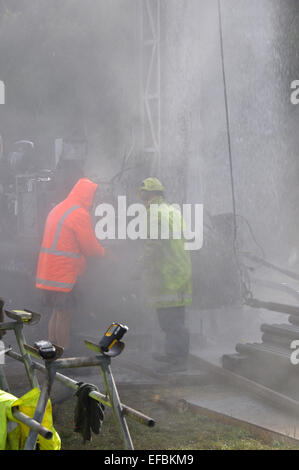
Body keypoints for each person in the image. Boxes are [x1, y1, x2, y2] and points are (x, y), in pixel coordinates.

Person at [36, 178, 105, 349]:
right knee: (64, 316)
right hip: (63, 275)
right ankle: (62, 354)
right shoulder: (78, 213)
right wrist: (107, 254)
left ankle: (51, 352)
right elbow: (91, 249)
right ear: (87, 195)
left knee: (56, 313)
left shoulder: (59, 208)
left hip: (48, 273)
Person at [137, 177, 192, 372]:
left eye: (142, 194)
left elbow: (154, 244)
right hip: (179, 270)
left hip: (169, 274)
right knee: (173, 316)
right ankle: (174, 355)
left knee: (171, 319)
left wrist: (139, 267)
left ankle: (179, 358)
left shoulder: (155, 213)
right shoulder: (172, 211)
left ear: (147, 195)